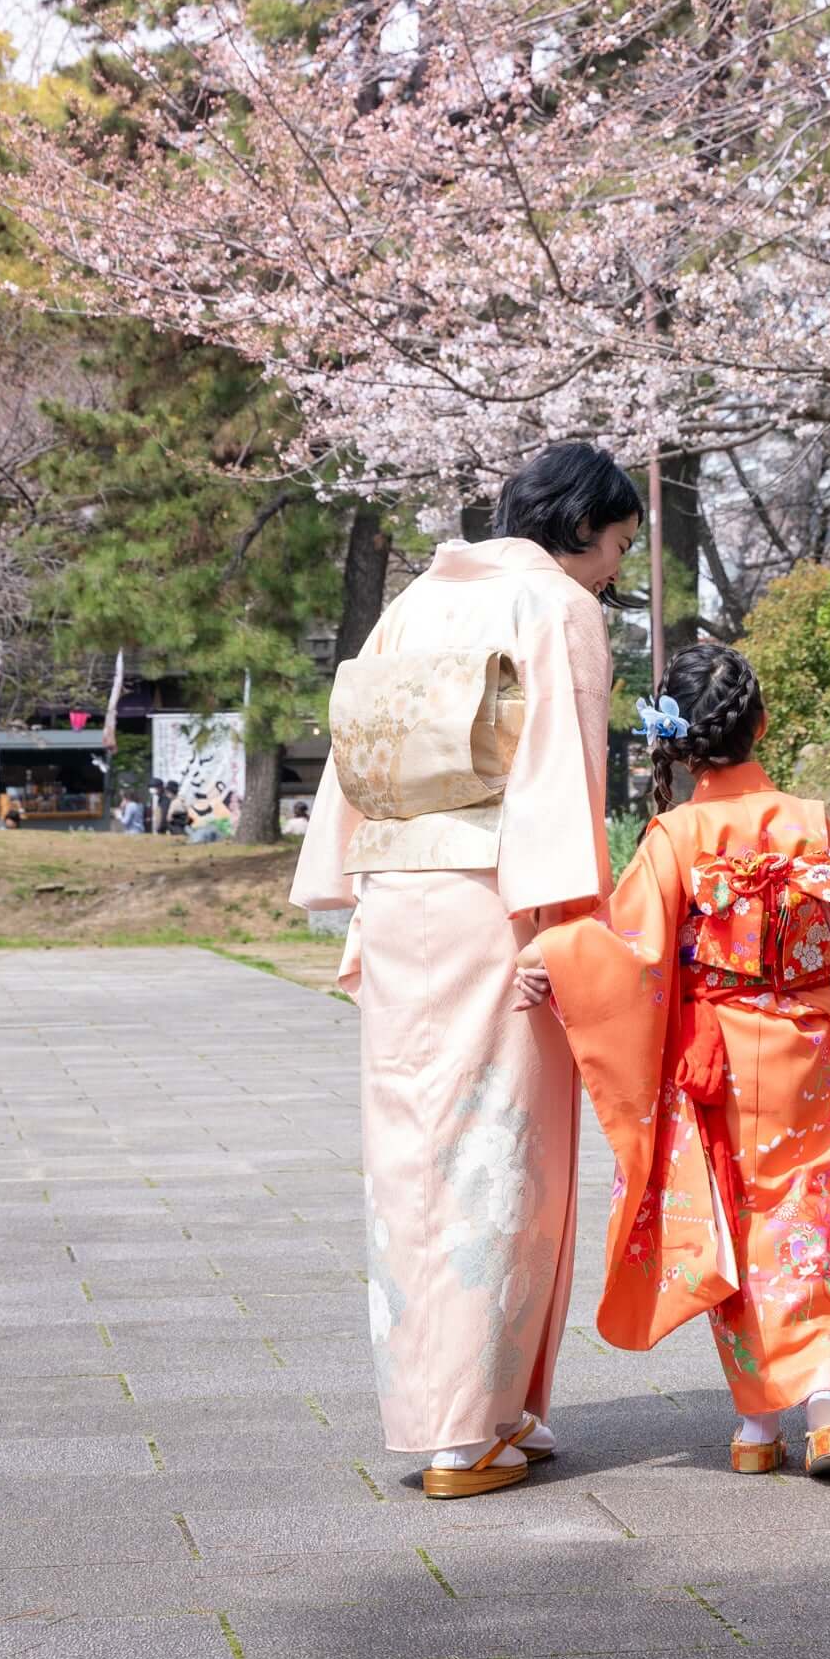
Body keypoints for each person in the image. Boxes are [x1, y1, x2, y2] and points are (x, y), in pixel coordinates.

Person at [292, 440, 638, 1501]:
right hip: (500, 901)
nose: (616, 567)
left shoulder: (414, 601)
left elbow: (368, 754)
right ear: (580, 526)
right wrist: (566, 924)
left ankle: (489, 1408)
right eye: (618, 543)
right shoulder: (555, 607)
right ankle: (463, 1426)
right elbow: (562, 773)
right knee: (502, 1153)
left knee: (413, 1150)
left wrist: (353, 884)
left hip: (402, 897)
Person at [525, 643, 830, 1483]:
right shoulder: (814, 822)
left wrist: (553, 957)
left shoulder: (676, 834)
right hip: (809, 1050)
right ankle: (820, 1406)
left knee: (734, 1231)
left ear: (680, 744)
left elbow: (628, 950)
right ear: (761, 724)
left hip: (722, 1061)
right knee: (804, 1221)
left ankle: (752, 1425)